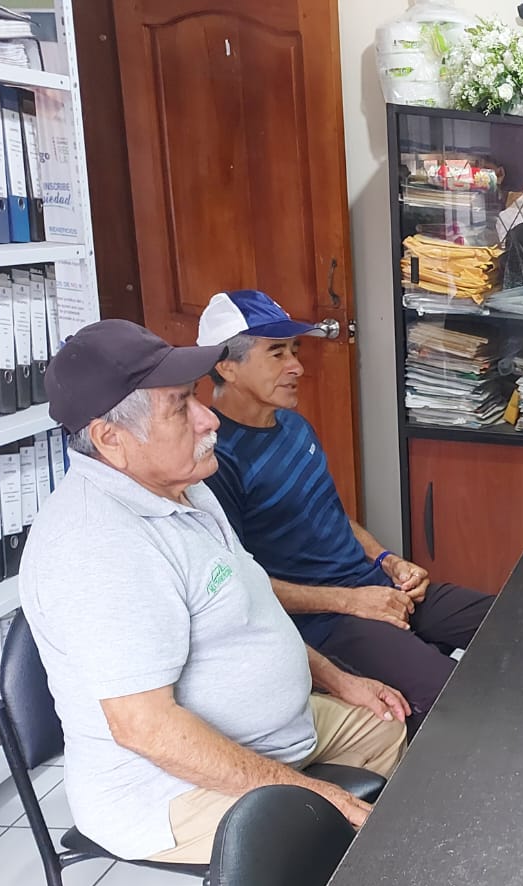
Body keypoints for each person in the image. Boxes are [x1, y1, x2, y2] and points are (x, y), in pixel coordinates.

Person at [20, 320, 410, 864]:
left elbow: (251, 614)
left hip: (271, 735)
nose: (209, 419)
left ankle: (353, 873)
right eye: (180, 407)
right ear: (111, 439)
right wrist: (312, 791)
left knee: (386, 729)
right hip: (166, 790)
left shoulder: (186, 487)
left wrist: (339, 680)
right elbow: (146, 729)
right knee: (319, 824)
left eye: (195, 397)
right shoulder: (97, 547)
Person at [196, 289, 493, 725]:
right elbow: (241, 586)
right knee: (460, 703)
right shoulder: (215, 460)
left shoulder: (293, 424)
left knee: (517, 621)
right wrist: (353, 602)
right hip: (326, 621)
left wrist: (388, 560)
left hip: (375, 587)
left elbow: (331, 514)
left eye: (294, 350)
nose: (297, 366)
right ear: (227, 366)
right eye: (277, 353)